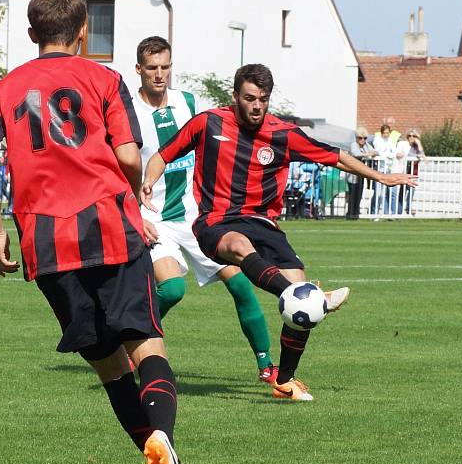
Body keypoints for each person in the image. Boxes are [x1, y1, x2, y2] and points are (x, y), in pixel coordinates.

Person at [0, 0, 205, 464]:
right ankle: (163, 438)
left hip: (47, 243)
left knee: (109, 369)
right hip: (110, 227)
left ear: (32, 35)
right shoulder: (103, 78)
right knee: (146, 346)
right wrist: (132, 188)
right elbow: (126, 154)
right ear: (82, 34)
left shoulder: (2, 89)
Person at [141, 63, 415, 401]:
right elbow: (162, 155)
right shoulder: (208, 123)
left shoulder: (283, 134)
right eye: (250, 98)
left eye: (264, 100)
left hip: (265, 224)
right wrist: (149, 181)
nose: (257, 106)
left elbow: (337, 157)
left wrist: (382, 178)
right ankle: (312, 298)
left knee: (303, 308)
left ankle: (284, 381)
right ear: (235, 97)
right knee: (243, 248)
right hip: (217, 221)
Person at [132, 36, 276, 384]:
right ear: (139, 70)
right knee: (172, 290)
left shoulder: (188, 103)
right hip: (153, 216)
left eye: (165, 66)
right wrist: (134, 211)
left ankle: (268, 368)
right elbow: (116, 165)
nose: (159, 74)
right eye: (152, 68)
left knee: (241, 283)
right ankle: (132, 341)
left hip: (195, 214)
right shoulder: (129, 112)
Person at [347, 126, 377, 219]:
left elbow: (374, 152)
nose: (363, 140)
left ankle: (356, 214)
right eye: (360, 138)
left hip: (361, 173)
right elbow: (356, 154)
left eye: (365, 138)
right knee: (353, 194)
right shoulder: (353, 145)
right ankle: (350, 214)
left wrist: (370, 153)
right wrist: (368, 154)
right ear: (356, 138)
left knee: (359, 194)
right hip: (353, 173)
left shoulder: (367, 145)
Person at [395, 128, 424, 216]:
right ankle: (398, 213)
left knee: (411, 191)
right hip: (404, 171)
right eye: (409, 136)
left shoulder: (416, 146)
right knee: (401, 193)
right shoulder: (403, 144)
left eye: (413, 136)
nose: (411, 137)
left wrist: (418, 143)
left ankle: (408, 209)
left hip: (413, 172)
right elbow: (399, 154)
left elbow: (421, 154)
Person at [371, 124, 397, 215]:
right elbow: (378, 152)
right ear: (381, 133)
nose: (386, 134)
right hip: (379, 169)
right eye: (384, 133)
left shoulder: (390, 140)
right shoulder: (377, 140)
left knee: (384, 194)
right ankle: (373, 212)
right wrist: (389, 155)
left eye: (388, 133)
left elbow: (395, 152)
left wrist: (388, 155)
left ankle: (383, 213)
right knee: (377, 194)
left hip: (387, 169)